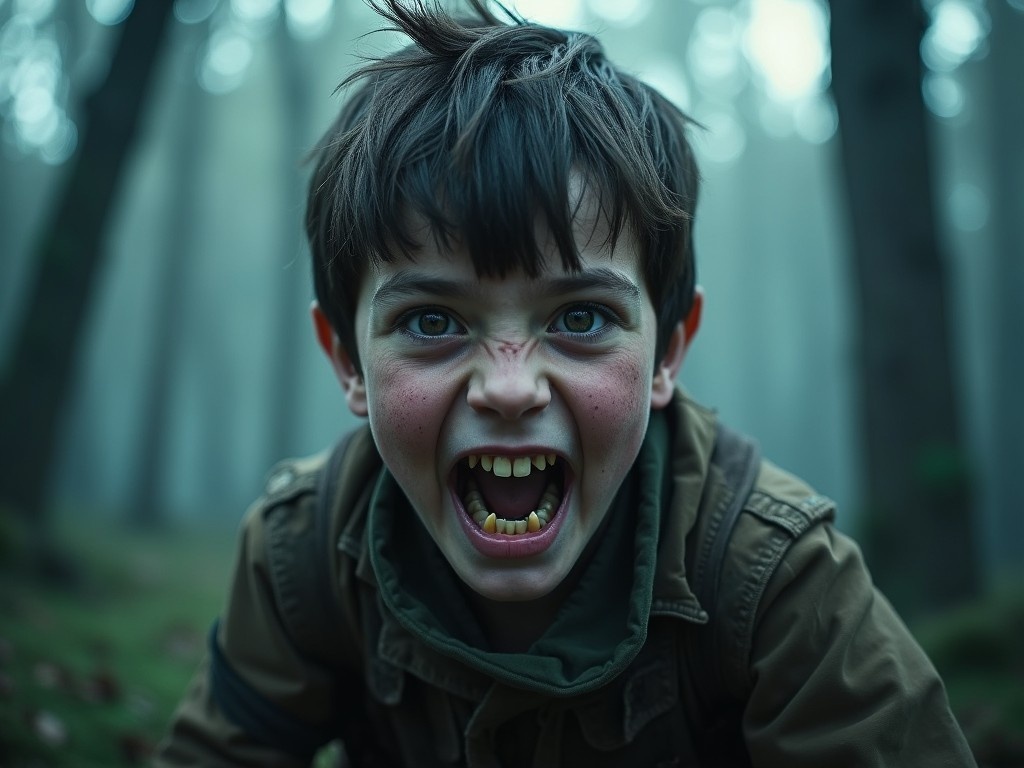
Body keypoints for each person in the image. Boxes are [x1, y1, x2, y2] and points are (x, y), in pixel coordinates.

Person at [153, 1, 976, 766]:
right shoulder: (304, 554)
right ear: (346, 361)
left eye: (579, 319)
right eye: (434, 323)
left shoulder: (779, 587)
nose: (509, 392)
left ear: (667, 354)